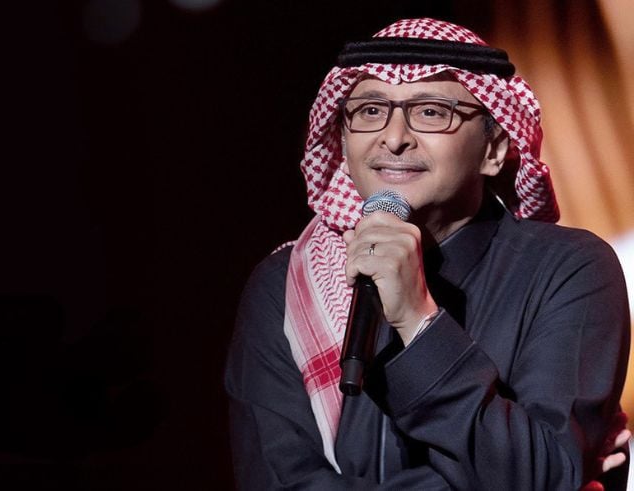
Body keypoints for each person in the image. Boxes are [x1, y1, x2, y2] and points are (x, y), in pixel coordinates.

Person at [225, 18, 631, 489]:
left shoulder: (568, 270)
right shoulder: (286, 285)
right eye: (370, 110)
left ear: (494, 149)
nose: (393, 137)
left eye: (432, 112)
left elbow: (537, 476)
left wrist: (418, 323)